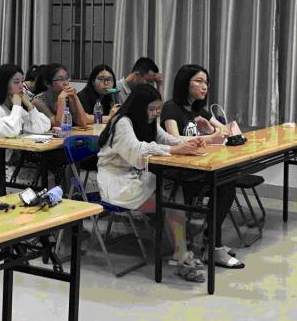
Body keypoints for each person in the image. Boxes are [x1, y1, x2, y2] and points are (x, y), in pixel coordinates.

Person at [97, 83, 206, 281]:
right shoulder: (122, 123)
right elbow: (137, 151)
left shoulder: (147, 120)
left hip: (137, 176)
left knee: (173, 190)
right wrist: (175, 150)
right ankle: (181, 253)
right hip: (118, 183)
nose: (156, 113)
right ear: (139, 107)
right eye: (152, 109)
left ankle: (180, 251)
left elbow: (167, 139)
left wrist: (189, 142)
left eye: (158, 109)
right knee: (170, 203)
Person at [161, 64, 243, 270]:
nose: (204, 86)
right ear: (184, 83)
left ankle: (211, 242)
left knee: (228, 183)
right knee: (223, 186)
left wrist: (210, 129)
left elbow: (225, 131)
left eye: (206, 82)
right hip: (179, 172)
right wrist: (209, 136)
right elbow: (173, 138)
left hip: (200, 166)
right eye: (198, 81)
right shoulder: (171, 108)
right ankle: (213, 246)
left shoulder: (199, 109)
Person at [0, 64, 52, 201]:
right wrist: (17, 105)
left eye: (22, 81)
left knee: (46, 178)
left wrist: (29, 105)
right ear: (4, 84)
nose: (21, 86)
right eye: (16, 82)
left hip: (9, 163)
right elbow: (11, 131)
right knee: (34, 186)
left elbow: (43, 127)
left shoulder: (13, 109)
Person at [33, 63, 93, 128]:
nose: (66, 83)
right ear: (48, 84)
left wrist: (75, 97)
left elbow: (83, 123)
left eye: (67, 78)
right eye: (61, 79)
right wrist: (61, 99)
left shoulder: (68, 97)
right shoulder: (39, 101)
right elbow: (59, 126)